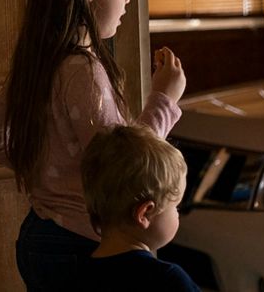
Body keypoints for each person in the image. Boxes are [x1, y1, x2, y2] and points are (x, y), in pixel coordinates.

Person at [0, 0, 187, 292]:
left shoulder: (40, 61)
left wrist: (48, 173)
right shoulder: (82, 70)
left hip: (38, 236)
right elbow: (129, 168)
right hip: (80, 241)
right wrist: (163, 100)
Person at [77, 124, 201, 291]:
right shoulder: (167, 280)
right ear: (145, 213)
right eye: (175, 207)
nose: (177, 215)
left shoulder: (75, 276)